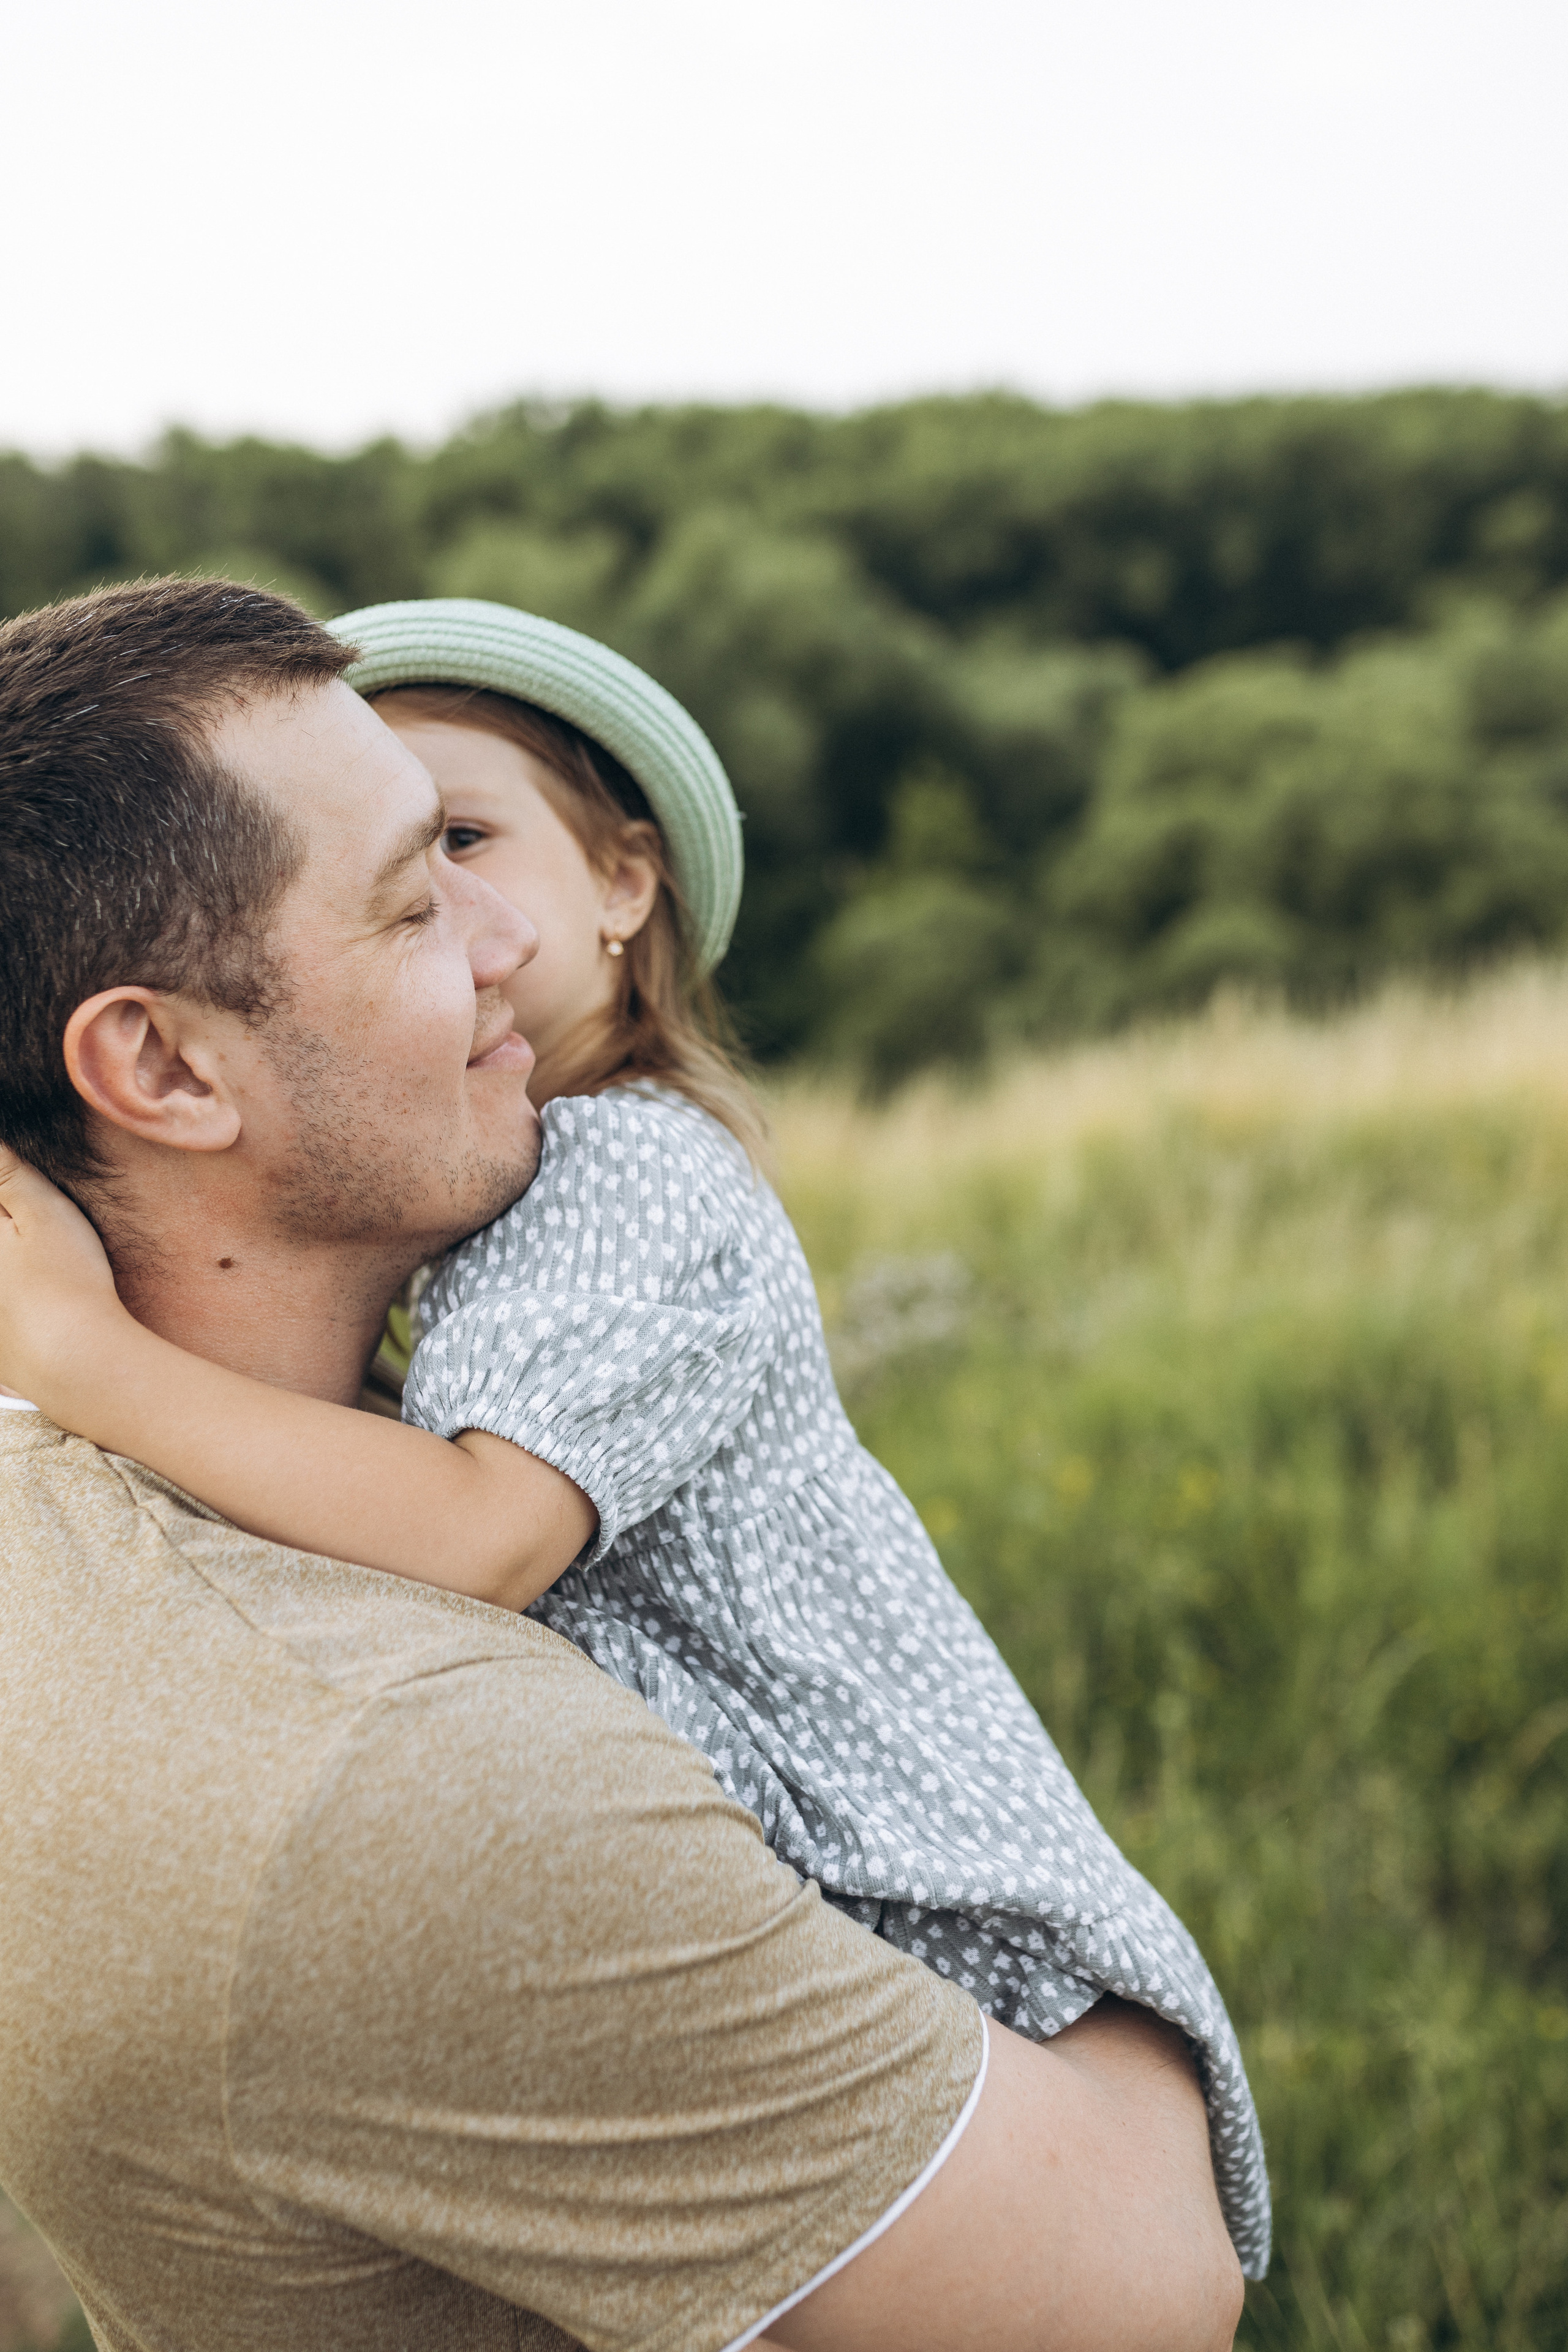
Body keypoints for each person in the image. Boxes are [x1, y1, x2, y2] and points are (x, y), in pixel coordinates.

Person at [0, 578, 1246, 2352]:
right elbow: (1149, 2299)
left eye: (475, 849)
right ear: (161, 1065)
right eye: (412, 896)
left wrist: (70, 1358)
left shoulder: (69, 1535)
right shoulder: (403, 1783)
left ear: (628, 878)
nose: (496, 941)